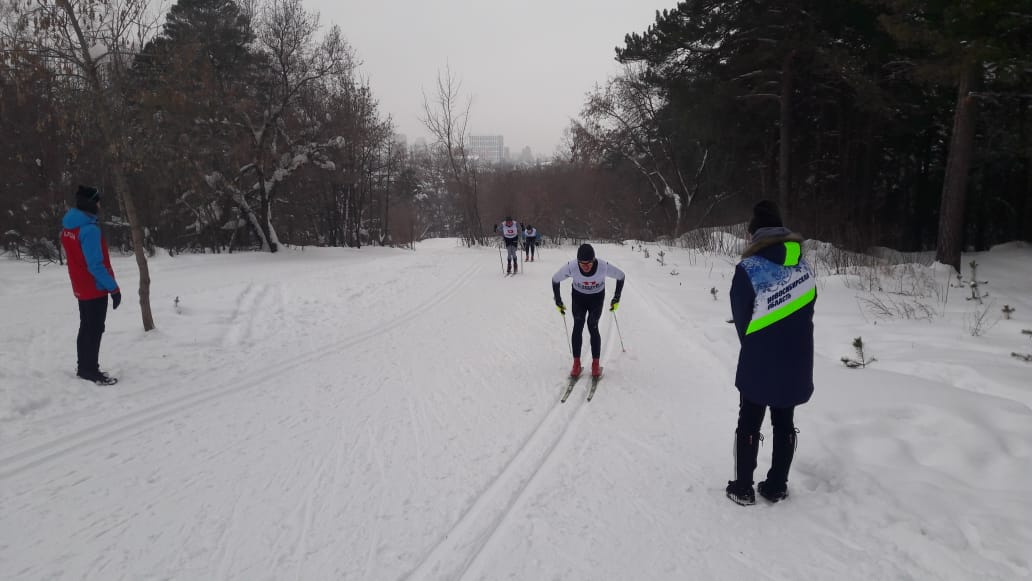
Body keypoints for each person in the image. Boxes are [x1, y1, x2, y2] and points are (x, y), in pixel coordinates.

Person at [726, 200, 816, 505]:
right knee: (784, 420)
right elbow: (808, 310)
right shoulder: (804, 266)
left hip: (760, 358)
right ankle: (777, 484)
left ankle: (742, 487)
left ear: (755, 235)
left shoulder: (748, 269)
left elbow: (742, 319)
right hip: (798, 357)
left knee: (749, 420)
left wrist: (754, 347)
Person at [61, 185, 121, 386]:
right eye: (97, 201)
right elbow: (95, 265)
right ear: (90, 203)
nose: (99, 205)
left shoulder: (69, 228)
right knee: (94, 328)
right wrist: (113, 288)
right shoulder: (89, 230)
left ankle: (84, 367)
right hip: (94, 287)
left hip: (80, 285)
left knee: (86, 326)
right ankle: (90, 370)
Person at [551, 243, 625, 378]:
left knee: (593, 326)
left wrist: (616, 298)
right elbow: (555, 280)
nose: (585, 266)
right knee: (578, 325)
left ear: (594, 260)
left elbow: (621, 276)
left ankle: (595, 364)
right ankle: (576, 363)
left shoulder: (603, 267)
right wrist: (558, 300)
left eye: (588, 263)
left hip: (596, 299)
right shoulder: (572, 266)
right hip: (579, 298)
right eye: (582, 263)